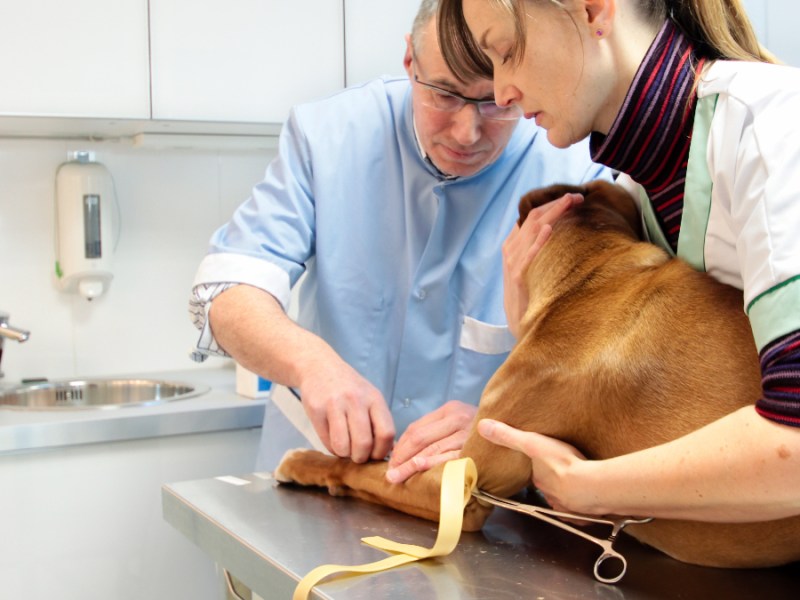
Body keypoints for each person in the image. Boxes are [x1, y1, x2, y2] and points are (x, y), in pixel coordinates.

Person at [189, 0, 611, 483]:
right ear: (410, 61)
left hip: (479, 496)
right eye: (446, 95)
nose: (467, 132)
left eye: (497, 103)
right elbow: (228, 289)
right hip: (318, 472)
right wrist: (312, 365)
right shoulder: (328, 136)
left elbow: (600, 367)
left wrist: (514, 425)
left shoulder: (576, 172)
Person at [437, 0, 800, 523]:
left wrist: (595, 488)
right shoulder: (638, 189)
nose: (501, 93)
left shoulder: (771, 130)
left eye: (507, 51)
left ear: (592, 10)